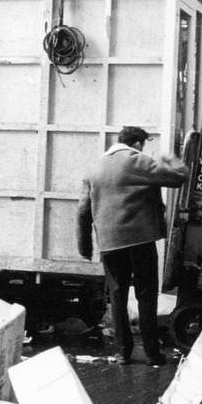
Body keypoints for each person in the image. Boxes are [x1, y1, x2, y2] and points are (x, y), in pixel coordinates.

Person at [77, 126, 187, 366]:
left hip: (109, 244)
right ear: (136, 143)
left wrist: (85, 246)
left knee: (117, 296)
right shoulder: (137, 160)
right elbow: (178, 177)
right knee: (146, 295)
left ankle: (122, 353)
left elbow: (84, 210)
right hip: (139, 240)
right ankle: (152, 354)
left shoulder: (94, 167)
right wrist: (172, 159)